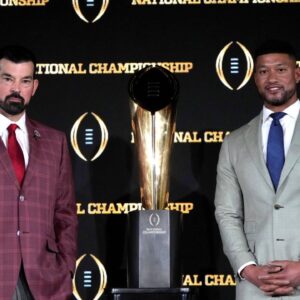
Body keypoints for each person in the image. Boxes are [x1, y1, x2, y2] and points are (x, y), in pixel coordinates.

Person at [214, 39, 300, 299]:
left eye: (280, 69)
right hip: (255, 288)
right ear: (254, 78)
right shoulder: (234, 142)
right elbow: (227, 213)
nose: (272, 78)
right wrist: (248, 269)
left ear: (297, 73)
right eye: (263, 71)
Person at [0, 45, 77, 299]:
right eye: (8, 79)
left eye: (25, 81)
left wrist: (66, 267)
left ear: (34, 87)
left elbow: (65, 212)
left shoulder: (56, 142)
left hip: (45, 281)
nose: (16, 89)